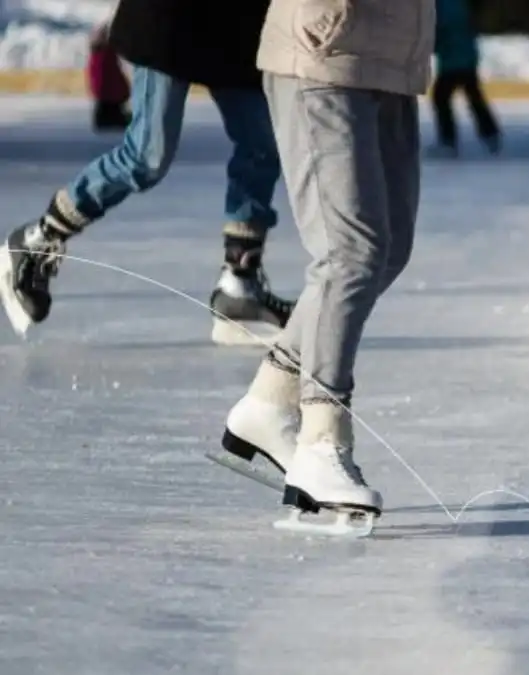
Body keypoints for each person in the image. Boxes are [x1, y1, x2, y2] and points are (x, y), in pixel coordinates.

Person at [220, 0, 434, 535]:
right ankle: (322, 440)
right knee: (349, 252)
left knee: (386, 251)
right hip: (325, 46)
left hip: (392, 55)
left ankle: (271, 399)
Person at [0, 0, 292, 345]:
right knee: (146, 155)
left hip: (235, 24)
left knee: (262, 145)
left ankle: (240, 282)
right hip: (171, 21)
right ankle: (37, 239)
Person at [429, 0, 502, 158]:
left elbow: (445, 27)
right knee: (472, 94)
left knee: (441, 97)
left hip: (455, 57)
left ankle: (449, 141)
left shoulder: (445, 5)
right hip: (464, 55)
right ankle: (490, 134)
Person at [86, 21, 131, 132]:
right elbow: (109, 77)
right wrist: (124, 91)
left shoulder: (99, 55)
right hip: (110, 99)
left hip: (107, 99)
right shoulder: (105, 55)